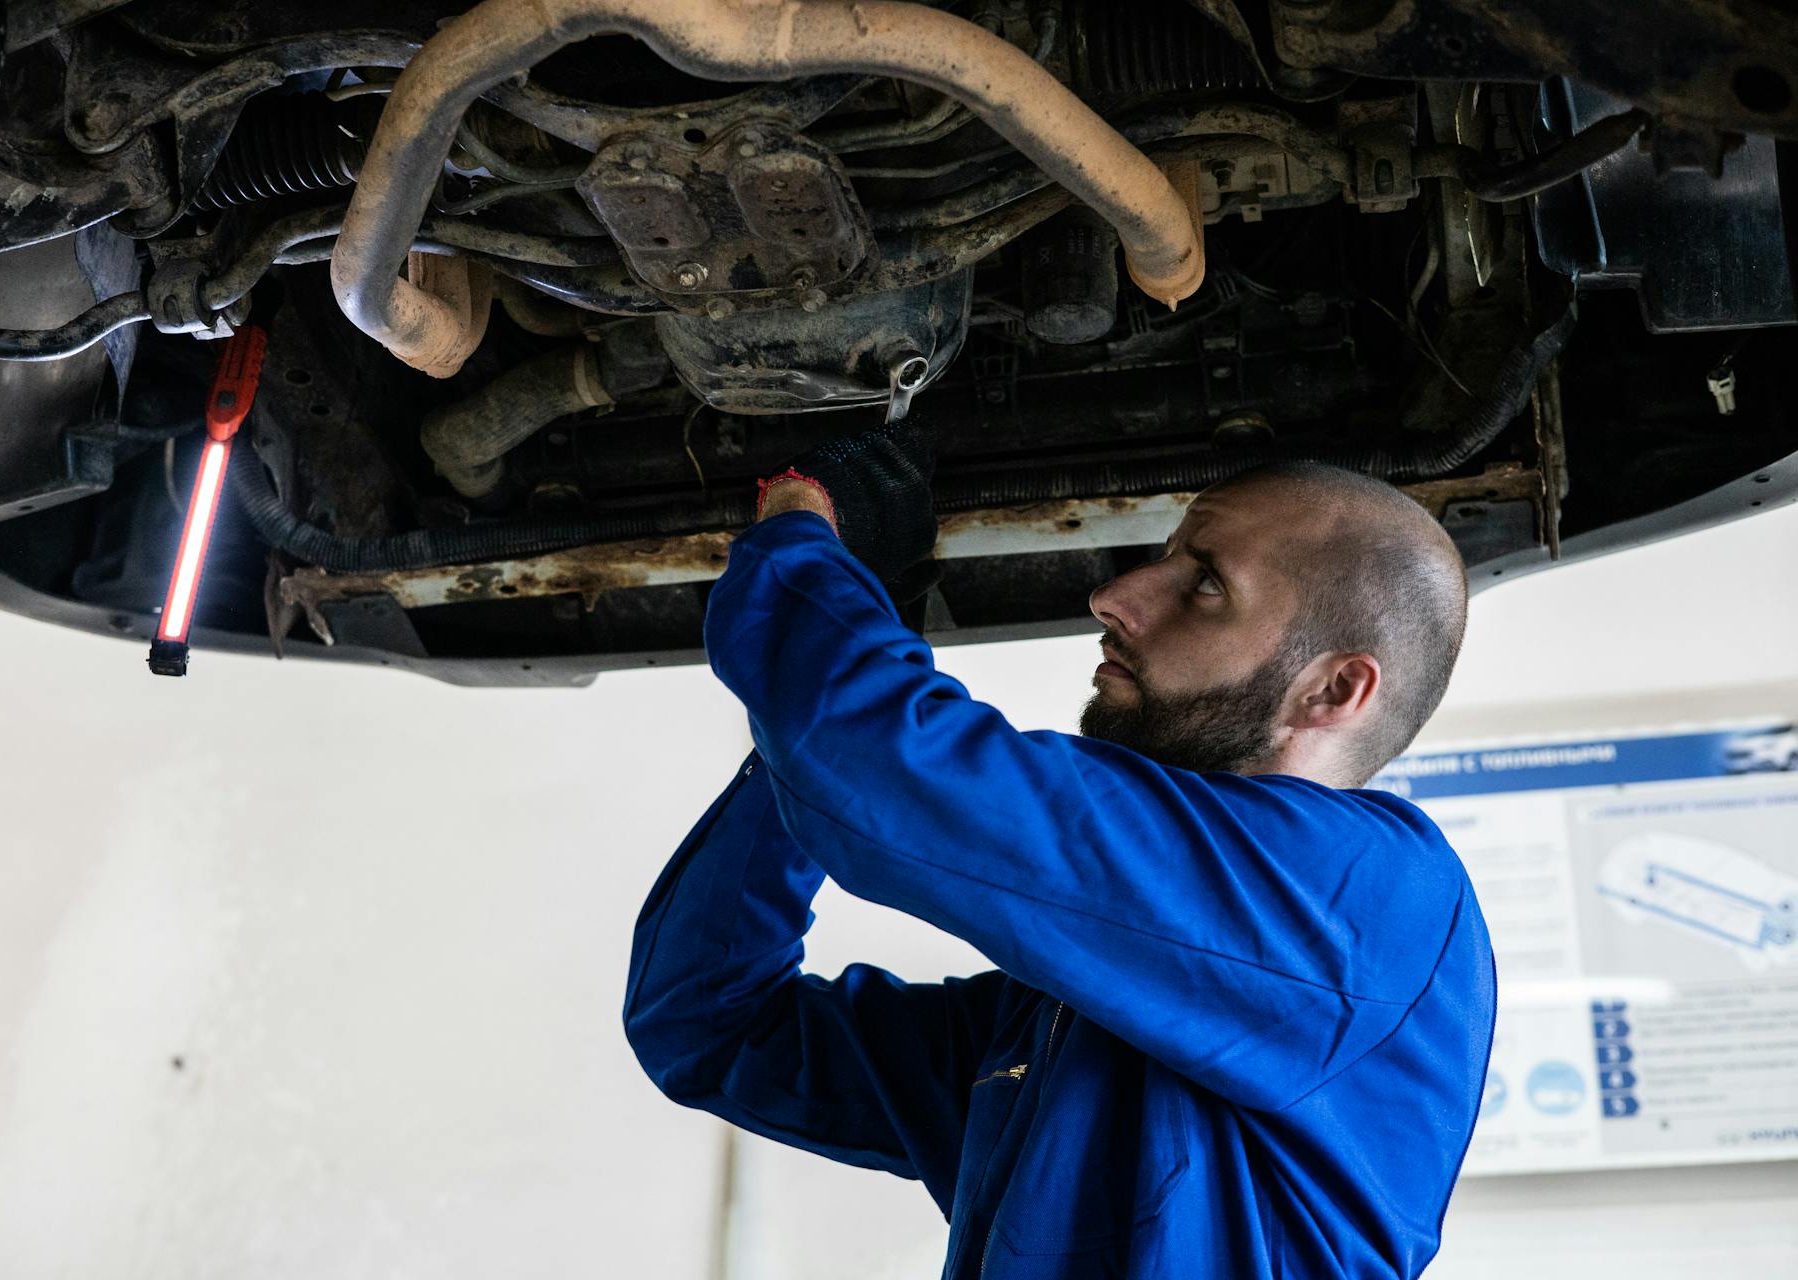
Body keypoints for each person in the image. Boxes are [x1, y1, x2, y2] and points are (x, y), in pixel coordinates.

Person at [624, 418, 1497, 1279]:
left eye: (1203, 585)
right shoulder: (1063, 1031)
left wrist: (803, 528)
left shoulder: (1374, 898)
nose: (1117, 598)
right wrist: (803, 733)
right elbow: (707, 1022)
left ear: (1334, 689)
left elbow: (882, 770)